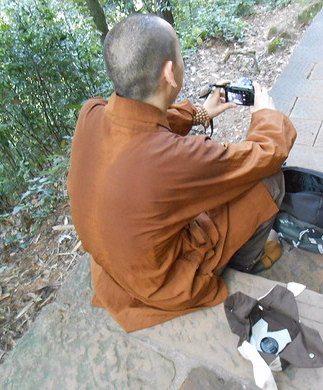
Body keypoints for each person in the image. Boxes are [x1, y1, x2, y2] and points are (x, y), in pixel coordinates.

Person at [67, 14, 296, 333]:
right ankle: (245, 263)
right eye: (178, 52)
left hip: (114, 270)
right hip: (165, 281)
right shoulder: (176, 158)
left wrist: (200, 112)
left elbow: (136, 122)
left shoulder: (90, 113)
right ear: (169, 72)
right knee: (268, 180)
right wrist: (266, 114)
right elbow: (267, 153)